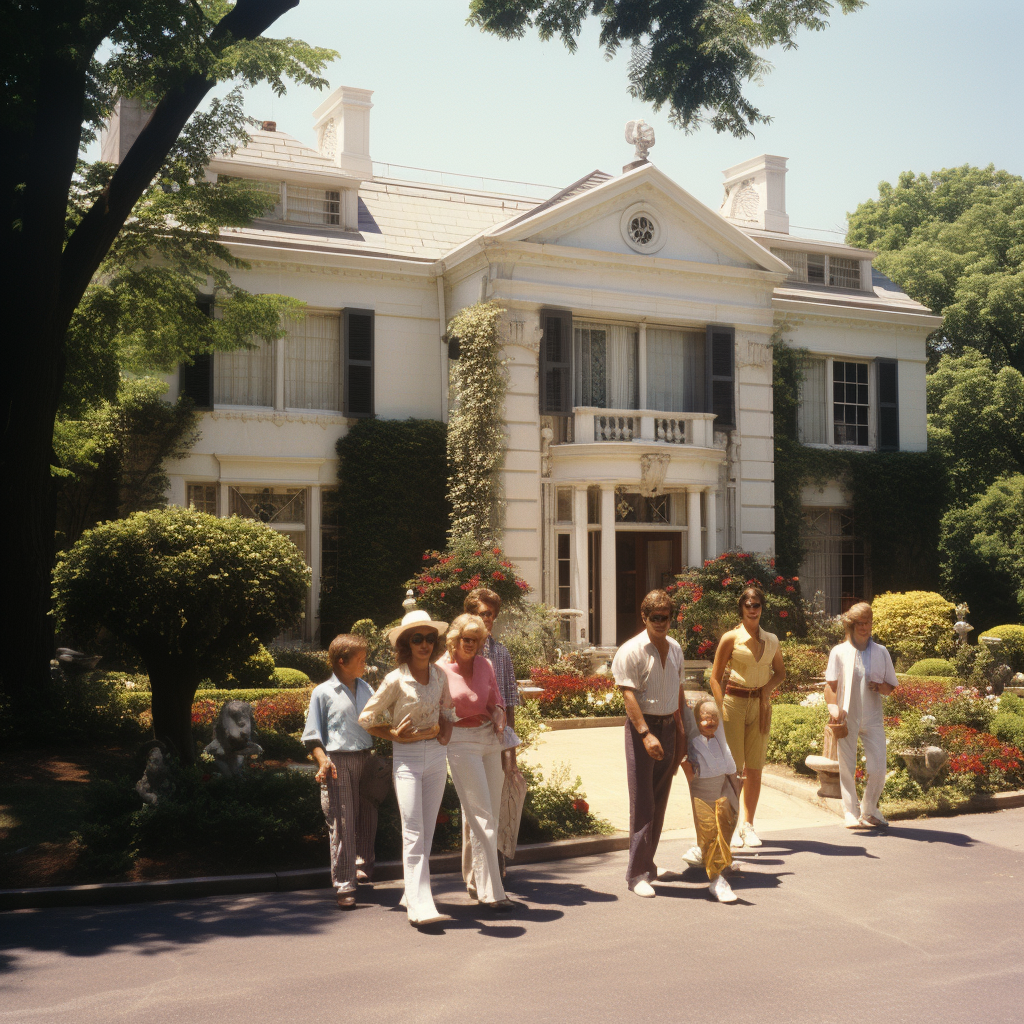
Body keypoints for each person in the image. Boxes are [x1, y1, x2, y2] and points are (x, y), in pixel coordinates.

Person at [357, 609, 452, 927]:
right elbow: (367, 718)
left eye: (430, 638)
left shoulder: (440, 676)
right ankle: (421, 906)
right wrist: (393, 734)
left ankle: (413, 893)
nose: (425, 644)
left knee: (426, 834)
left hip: (437, 759)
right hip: (407, 760)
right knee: (413, 831)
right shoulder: (395, 678)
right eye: (417, 638)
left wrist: (442, 729)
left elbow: (447, 711)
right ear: (406, 643)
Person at [612, 589, 687, 897]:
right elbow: (628, 695)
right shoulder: (631, 651)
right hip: (645, 729)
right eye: (654, 618)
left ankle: (648, 863)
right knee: (643, 802)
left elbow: (679, 694)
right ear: (644, 617)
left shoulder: (676, 648)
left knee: (660, 800)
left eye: (665, 618)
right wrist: (645, 734)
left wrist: (683, 734)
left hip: (670, 725)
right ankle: (636, 874)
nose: (660, 623)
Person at [438, 612, 514, 911]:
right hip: (460, 742)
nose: (471, 645)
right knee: (481, 816)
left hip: (488, 740)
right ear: (454, 640)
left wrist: (498, 714)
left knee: (490, 815)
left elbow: (496, 700)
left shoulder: (486, 665)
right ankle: (492, 893)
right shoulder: (440, 669)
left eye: (477, 640)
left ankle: (478, 881)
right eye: (466, 639)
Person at [302, 634, 379, 908]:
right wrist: (323, 760)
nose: (365, 664)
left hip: (366, 759)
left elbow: (379, 721)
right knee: (343, 821)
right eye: (360, 659)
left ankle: (362, 865)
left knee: (368, 816)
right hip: (338, 761)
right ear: (342, 661)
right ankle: (344, 884)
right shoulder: (322, 692)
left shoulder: (366, 688)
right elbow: (312, 737)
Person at [709, 586, 785, 850]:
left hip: (760, 706)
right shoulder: (731, 638)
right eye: (748, 605)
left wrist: (766, 690)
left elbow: (780, 672)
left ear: (762, 608)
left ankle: (748, 825)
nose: (753, 609)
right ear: (741, 608)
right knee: (733, 768)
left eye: (757, 605)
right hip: (734, 704)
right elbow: (715, 677)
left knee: (754, 768)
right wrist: (721, 708)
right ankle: (728, 825)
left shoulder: (772, 640)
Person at [462, 587, 519, 892]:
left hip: (496, 739)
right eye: (484, 613)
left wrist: (511, 752)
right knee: (474, 808)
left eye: (492, 615)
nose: (489, 620)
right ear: (471, 614)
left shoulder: (501, 654)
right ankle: (475, 875)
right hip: (466, 739)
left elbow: (509, 704)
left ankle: (494, 868)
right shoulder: (459, 652)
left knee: (495, 805)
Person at [824, 601, 898, 828]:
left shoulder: (881, 652)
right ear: (851, 626)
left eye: (868, 623)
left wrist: (880, 686)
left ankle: (870, 809)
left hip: (873, 717)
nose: (865, 628)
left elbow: (891, 687)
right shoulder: (839, 652)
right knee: (847, 765)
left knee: (878, 768)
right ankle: (850, 811)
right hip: (848, 715)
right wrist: (833, 709)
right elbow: (831, 686)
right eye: (860, 624)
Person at [680, 697, 742, 903]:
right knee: (709, 830)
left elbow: (730, 765)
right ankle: (717, 880)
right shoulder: (692, 743)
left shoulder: (719, 740)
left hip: (722, 788)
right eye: (705, 719)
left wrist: (735, 788)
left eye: (714, 718)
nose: (711, 722)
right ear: (697, 721)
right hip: (702, 792)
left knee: (725, 825)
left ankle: (717, 859)